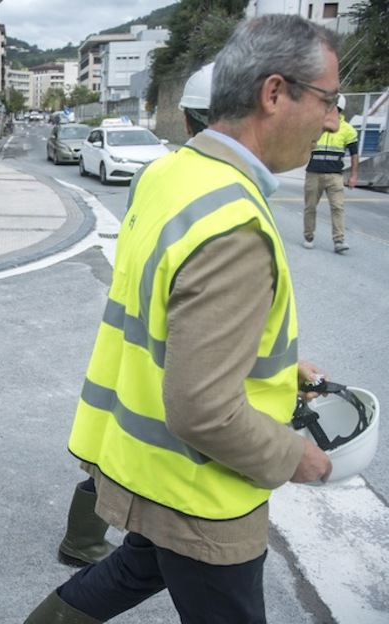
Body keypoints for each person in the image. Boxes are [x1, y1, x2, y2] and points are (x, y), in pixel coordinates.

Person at [25, 14, 337, 623]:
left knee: (134, 568)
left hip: (148, 463)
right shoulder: (235, 222)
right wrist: (295, 457)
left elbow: (164, 312)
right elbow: (204, 410)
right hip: (202, 492)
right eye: (327, 100)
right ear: (274, 93)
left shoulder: (169, 174)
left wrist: (274, 366)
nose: (333, 119)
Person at [54, 61, 217, 572]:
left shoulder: (157, 173)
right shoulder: (215, 186)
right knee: (142, 450)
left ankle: (82, 536)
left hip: (128, 330)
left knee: (114, 440)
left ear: (186, 121)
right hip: (171, 341)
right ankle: (92, 540)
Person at [303, 93, 359, 254]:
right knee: (310, 207)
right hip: (314, 173)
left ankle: (339, 240)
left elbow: (354, 154)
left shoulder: (347, 130)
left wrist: (353, 175)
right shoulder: (314, 126)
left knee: (337, 207)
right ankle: (308, 236)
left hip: (335, 175)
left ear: (339, 110)